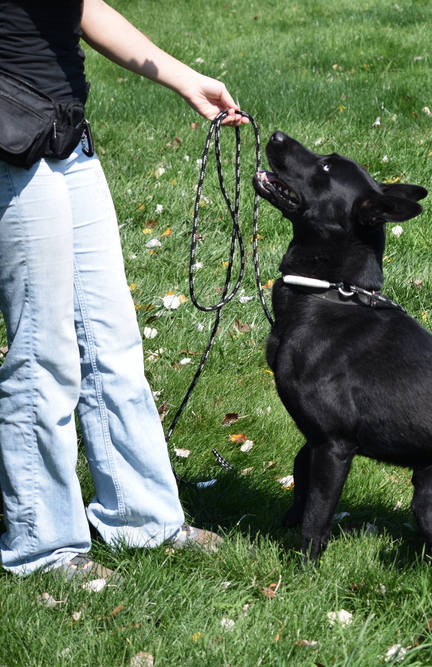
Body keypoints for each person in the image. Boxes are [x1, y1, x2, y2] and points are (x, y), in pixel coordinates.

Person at [0, 0, 247, 581]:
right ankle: (43, 547)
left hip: (62, 127)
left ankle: (144, 518)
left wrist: (185, 81)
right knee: (44, 352)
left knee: (111, 339)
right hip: (9, 138)